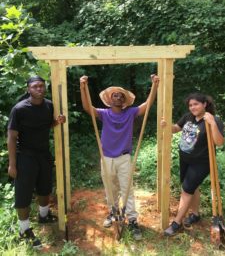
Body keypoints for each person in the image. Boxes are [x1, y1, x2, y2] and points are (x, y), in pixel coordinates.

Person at [80, 74, 159, 240]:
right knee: (111, 189)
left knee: (127, 189)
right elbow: (88, 108)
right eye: (114, 95)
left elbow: (147, 105)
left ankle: (132, 220)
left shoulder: (130, 113)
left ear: (124, 101)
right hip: (106, 157)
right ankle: (113, 213)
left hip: (124, 158)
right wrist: (82, 87)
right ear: (109, 100)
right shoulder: (104, 113)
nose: (117, 97)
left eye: (120, 96)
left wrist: (155, 85)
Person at [7, 76, 66, 249]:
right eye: (35, 86)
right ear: (28, 90)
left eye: (41, 86)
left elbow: (45, 125)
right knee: (23, 194)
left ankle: (43, 216)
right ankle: (24, 230)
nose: (39, 89)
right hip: (25, 156)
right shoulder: (19, 109)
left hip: (43, 154)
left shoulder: (49, 105)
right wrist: (12, 164)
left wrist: (57, 122)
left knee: (45, 186)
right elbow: (11, 137)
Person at [162, 92, 224, 236]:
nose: (192, 107)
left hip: (201, 162)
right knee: (192, 187)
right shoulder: (188, 117)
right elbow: (176, 128)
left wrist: (213, 123)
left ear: (204, 104)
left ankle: (177, 223)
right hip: (185, 159)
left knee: (186, 189)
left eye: (196, 104)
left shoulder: (213, 119)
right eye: (190, 105)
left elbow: (219, 143)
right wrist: (167, 126)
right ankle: (195, 214)